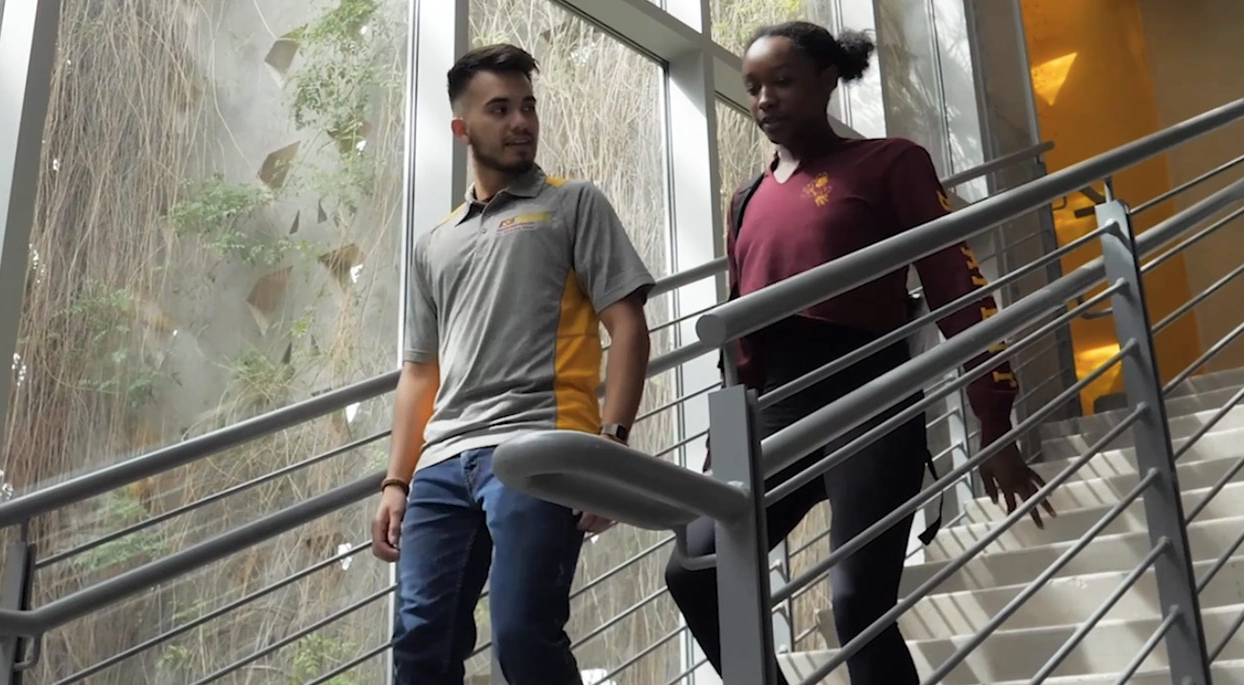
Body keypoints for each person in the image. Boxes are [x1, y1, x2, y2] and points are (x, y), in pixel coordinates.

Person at [661, 22, 1054, 685]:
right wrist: (718, 455)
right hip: (772, 413)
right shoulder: (746, 199)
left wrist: (995, 417)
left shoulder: (889, 163)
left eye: (782, 81)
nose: (764, 100)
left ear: (826, 79)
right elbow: (740, 341)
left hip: (869, 402)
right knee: (694, 570)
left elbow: (956, 284)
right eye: (752, 87)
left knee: (857, 605)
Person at [368, 43, 657, 685]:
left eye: (527, 106)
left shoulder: (573, 203)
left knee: (524, 634)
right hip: (442, 463)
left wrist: (610, 448)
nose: (521, 121)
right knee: (420, 645)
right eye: (500, 109)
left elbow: (627, 325)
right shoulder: (435, 242)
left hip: (541, 447)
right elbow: (420, 371)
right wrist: (395, 481)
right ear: (462, 128)